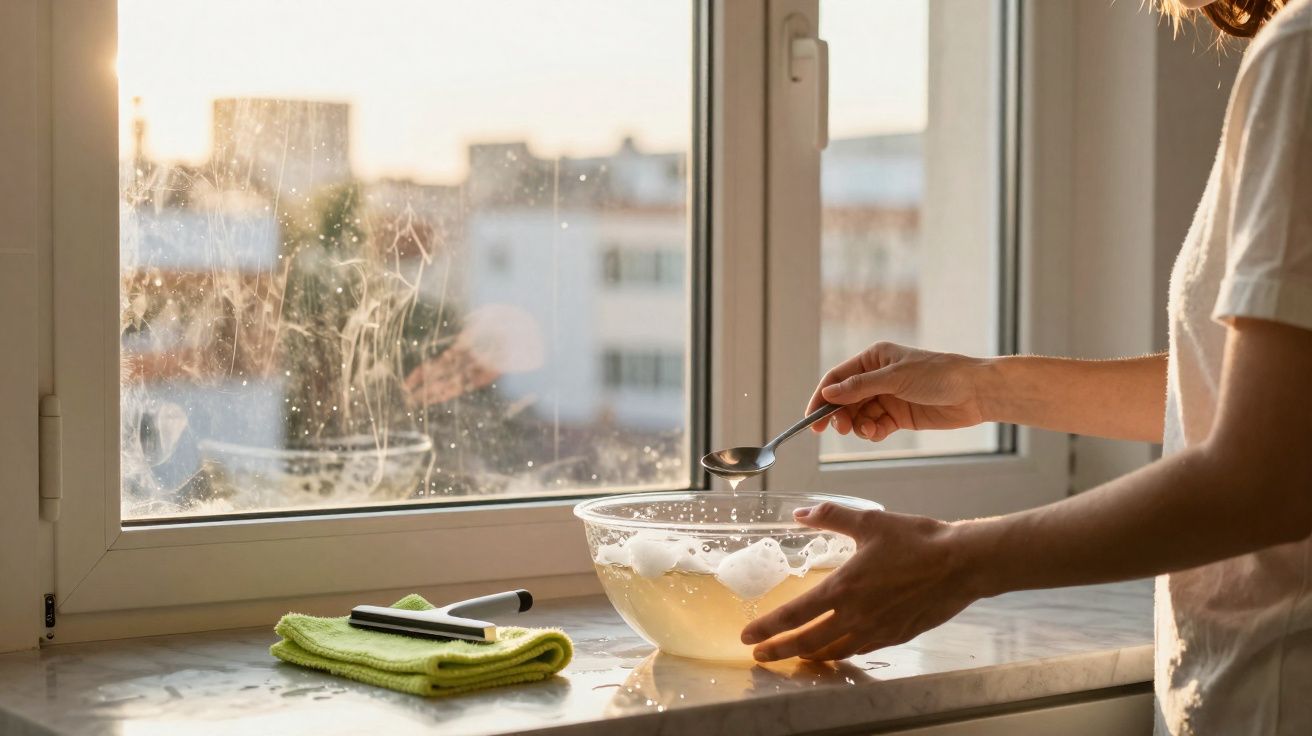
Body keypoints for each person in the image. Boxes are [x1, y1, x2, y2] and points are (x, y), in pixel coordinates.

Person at [741, 0, 1312, 733]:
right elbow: (1260, 401)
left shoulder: (1301, 52)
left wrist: (954, 560)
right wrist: (982, 385)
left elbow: (1262, 476)